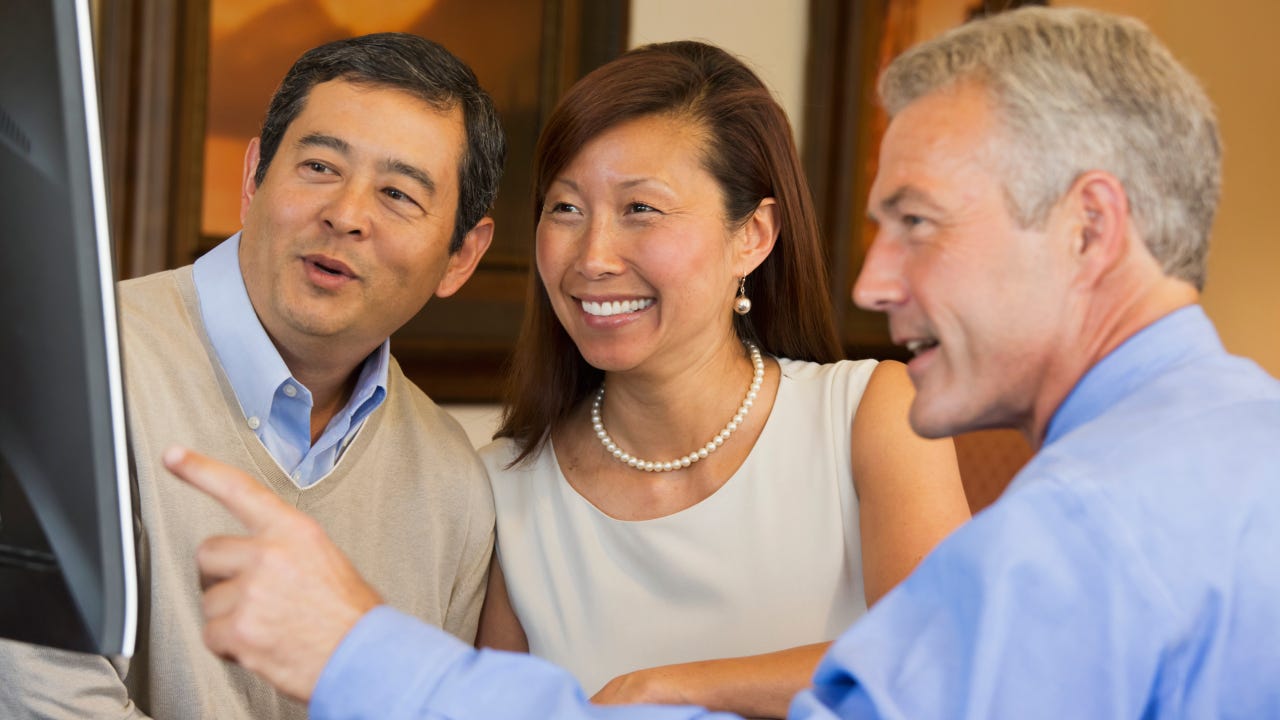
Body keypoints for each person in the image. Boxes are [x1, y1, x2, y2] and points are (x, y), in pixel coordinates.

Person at [161, 6, 1280, 719]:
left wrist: (359, 650)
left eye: (918, 223)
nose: (874, 283)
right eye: (562, 210)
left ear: (1088, 227)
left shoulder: (1085, 519)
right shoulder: (1230, 450)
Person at [0, 33, 506, 719]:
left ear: (461, 256)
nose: (347, 214)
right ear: (254, 176)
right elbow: (45, 703)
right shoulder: (66, 368)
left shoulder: (452, 481)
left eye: (397, 193)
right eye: (321, 166)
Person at [472, 40, 969, 718]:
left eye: (640, 209)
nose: (592, 257)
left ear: (754, 236)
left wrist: (660, 689)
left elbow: (939, 662)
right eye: (565, 208)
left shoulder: (870, 415)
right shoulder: (504, 487)